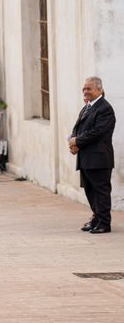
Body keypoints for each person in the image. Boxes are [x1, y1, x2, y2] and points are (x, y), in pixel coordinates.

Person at [68, 76, 116, 234]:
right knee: (90, 190)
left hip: (99, 158)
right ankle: (96, 218)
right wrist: (73, 142)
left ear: (99, 90)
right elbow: (78, 127)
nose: (85, 91)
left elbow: (97, 133)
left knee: (100, 191)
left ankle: (104, 223)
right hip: (86, 157)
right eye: (84, 88)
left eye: (89, 88)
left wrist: (77, 141)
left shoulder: (105, 109)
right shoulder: (87, 107)